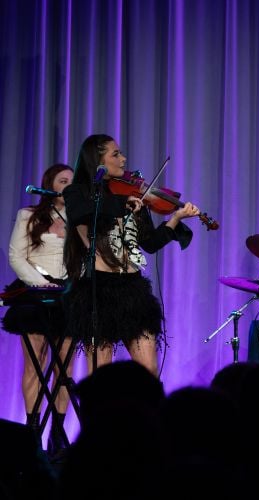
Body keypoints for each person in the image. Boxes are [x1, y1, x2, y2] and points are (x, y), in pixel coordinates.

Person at [62, 134, 199, 375]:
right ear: (97, 159)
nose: (123, 159)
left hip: (133, 288)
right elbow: (79, 213)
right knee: (101, 373)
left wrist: (176, 218)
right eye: (115, 154)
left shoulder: (132, 195)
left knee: (149, 369)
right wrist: (121, 202)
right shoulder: (78, 192)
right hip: (97, 288)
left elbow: (150, 243)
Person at [2, 164, 75, 451]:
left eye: (72, 181)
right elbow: (16, 256)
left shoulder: (78, 220)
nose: (68, 186)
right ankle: (32, 433)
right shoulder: (28, 215)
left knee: (64, 369)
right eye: (63, 181)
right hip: (35, 294)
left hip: (67, 295)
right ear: (50, 185)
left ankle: (57, 432)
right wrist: (41, 284)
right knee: (35, 364)